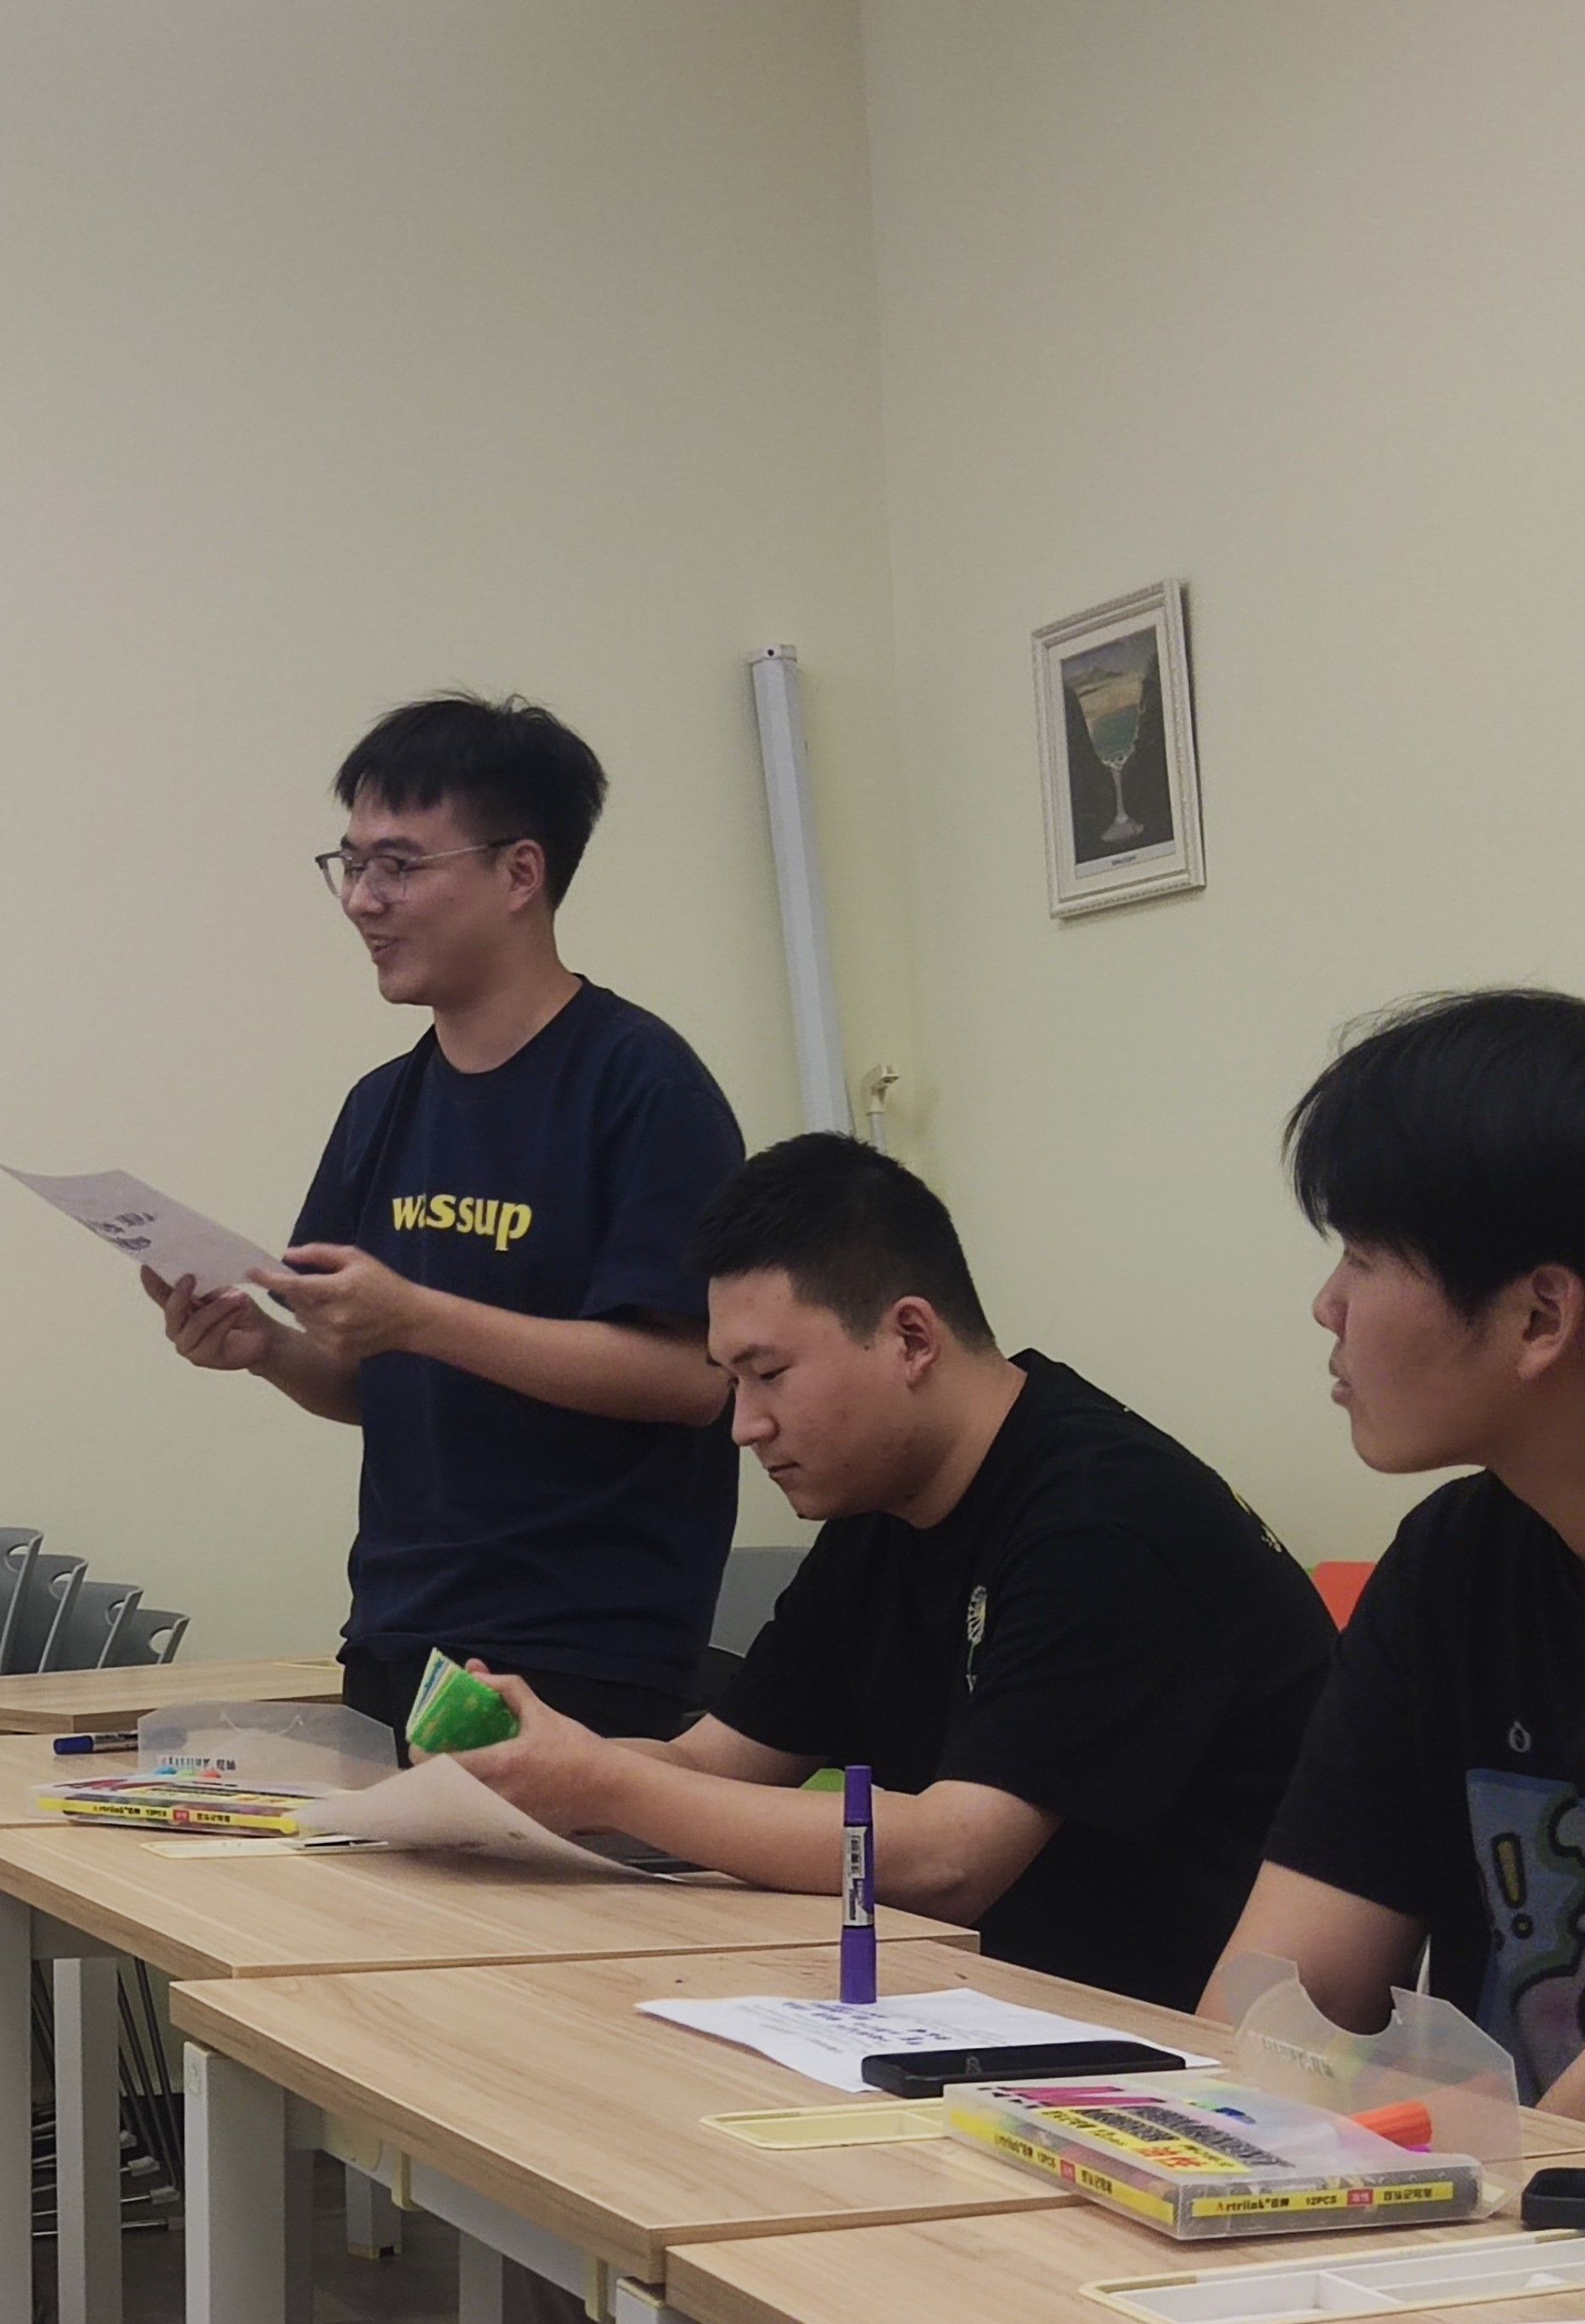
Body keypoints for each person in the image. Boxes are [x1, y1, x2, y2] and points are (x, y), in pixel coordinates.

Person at [462, 1131, 1333, 2011]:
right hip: (972, 2009)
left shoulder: (1109, 1519)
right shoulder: (879, 1508)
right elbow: (710, 1765)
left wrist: (605, 1783)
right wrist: (523, 1773)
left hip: (1164, 2044)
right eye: (731, 1382)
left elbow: (951, 1861)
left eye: (769, 1374)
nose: (744, 1425)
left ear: (911, 1338)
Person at [148, 692, 744, 1742]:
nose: (361, 901)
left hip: (577, 1651)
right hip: (396, 1632)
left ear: (520, 873)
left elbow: (692, 1380)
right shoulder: (381, 1107)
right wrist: (266, 1352)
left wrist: (419, 1317)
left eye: (398, 865)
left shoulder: (642, 1085)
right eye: (349, 866)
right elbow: (377, 1384)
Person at [1216, 988, 1585, 2112]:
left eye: (1366, 1255)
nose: (1328, 1305)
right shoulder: (1452, 1562)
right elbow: (1270, 2005)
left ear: (1539, 1319)